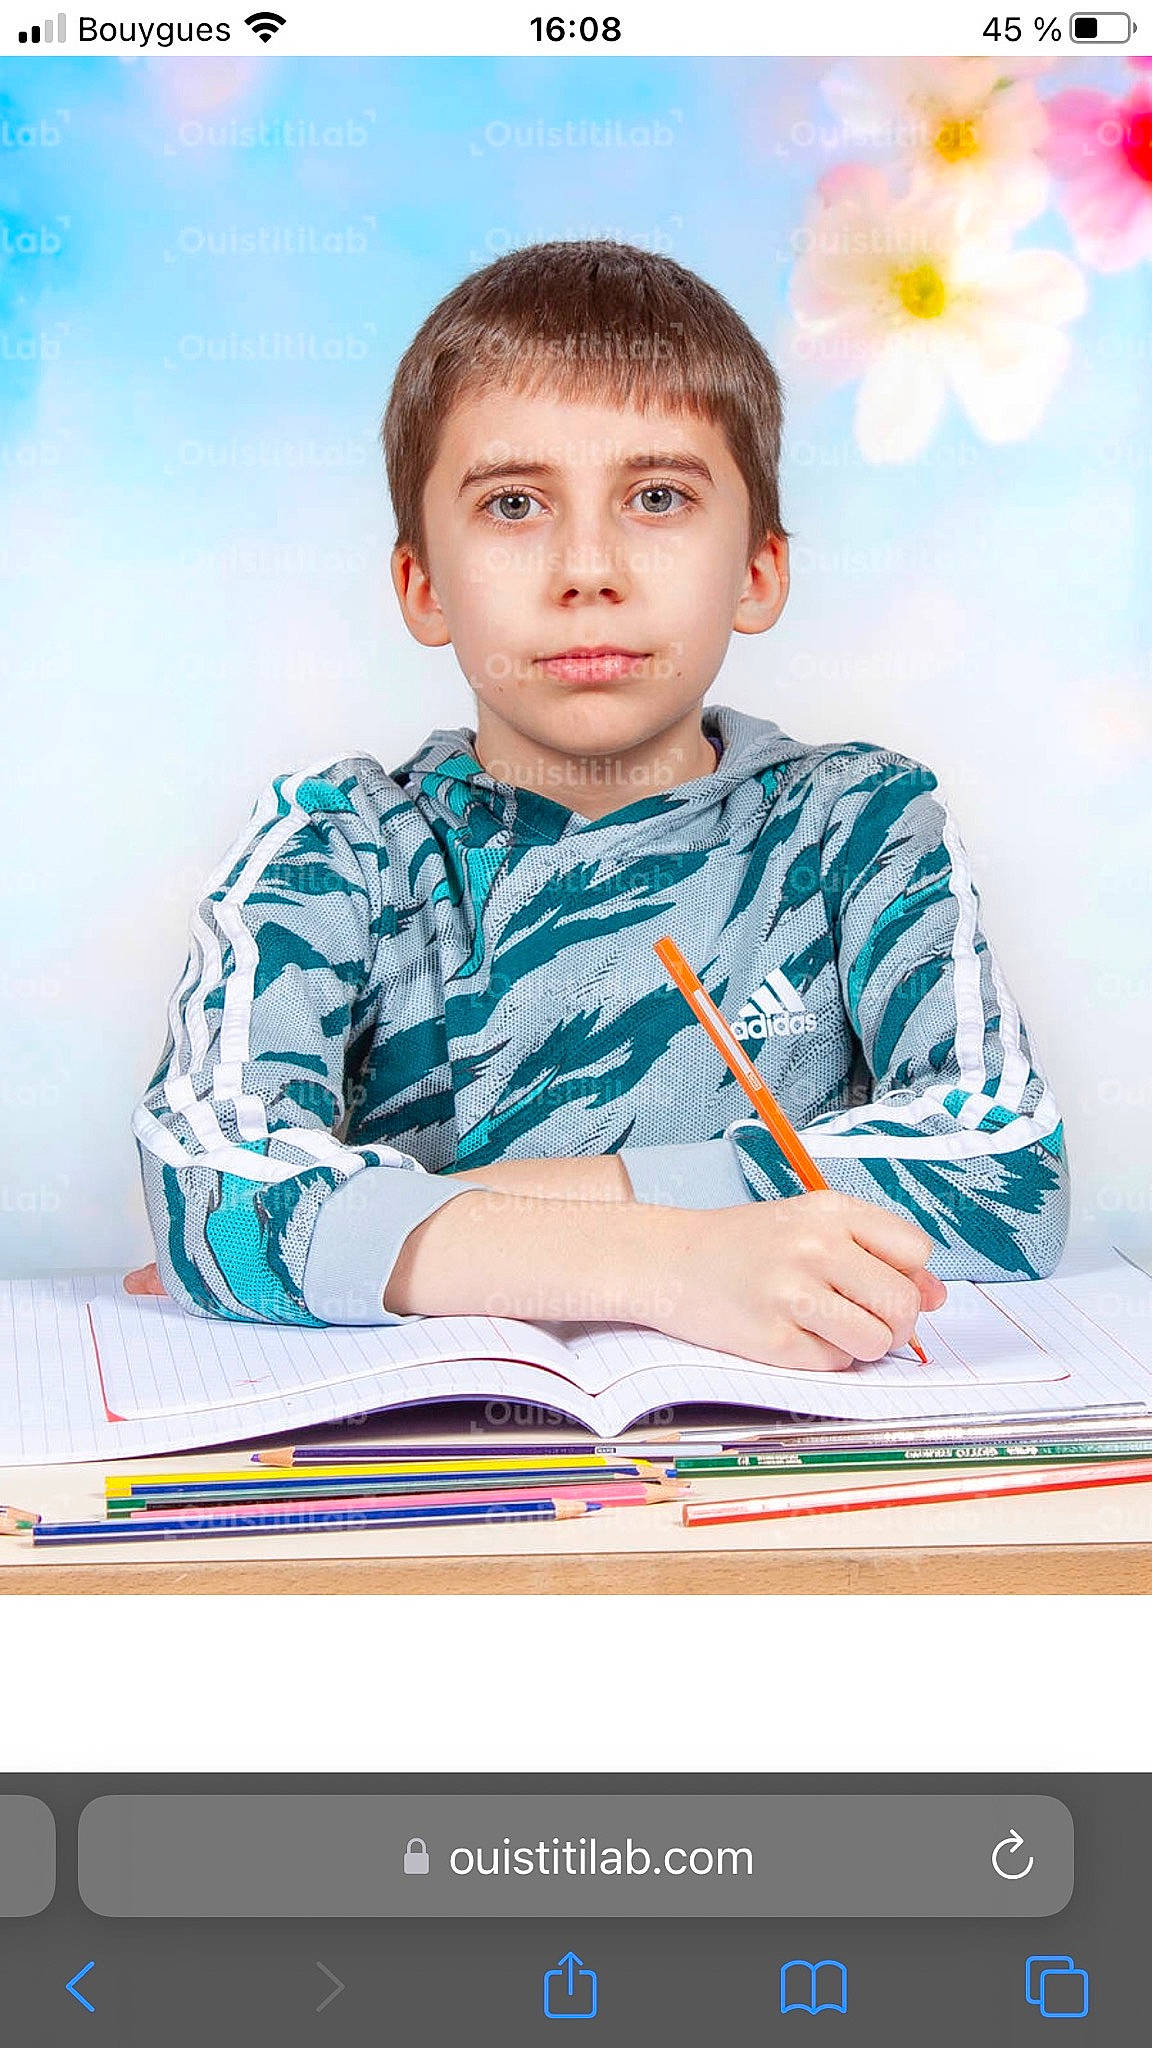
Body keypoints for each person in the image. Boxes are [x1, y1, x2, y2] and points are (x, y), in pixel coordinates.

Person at [126, 241, 1068, 1371]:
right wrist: (675, 1263)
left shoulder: (859, 824)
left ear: (758, 572)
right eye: (514, 503)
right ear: (423, 584)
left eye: (657, 496)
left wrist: (427, 1214)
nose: (587, 567)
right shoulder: (337, 845)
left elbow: (1005, 1164)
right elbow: (215, 1192)